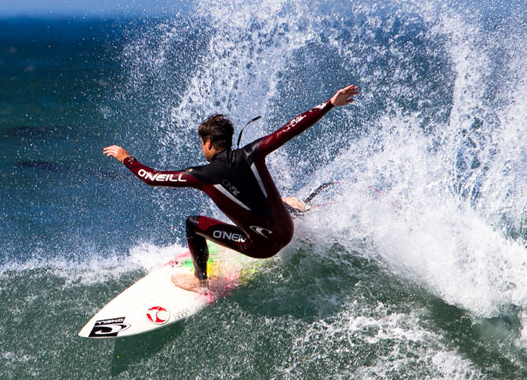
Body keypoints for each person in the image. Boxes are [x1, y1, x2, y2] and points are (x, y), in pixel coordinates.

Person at [104, 85, 359, 291]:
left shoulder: (202, 175)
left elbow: (152, 177)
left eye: (201, 143)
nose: (200, 149)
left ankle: (200, 280)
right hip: (288, 232)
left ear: (208, 142)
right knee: (275, 200)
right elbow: (291, 128)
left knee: (193, 223)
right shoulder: (253, 152)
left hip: (261, 247)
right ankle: (298, 211)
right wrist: (329, 104)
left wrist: (126, 158)